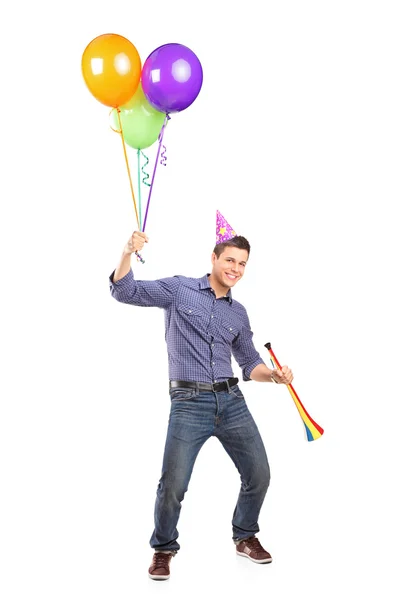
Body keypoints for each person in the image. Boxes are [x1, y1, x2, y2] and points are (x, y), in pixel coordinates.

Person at [109, 226, 293, 581]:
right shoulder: (179, 290)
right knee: (173, 484)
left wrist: (274, 376)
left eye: (242, 263)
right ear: (213, 258)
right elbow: (125, 290)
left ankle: (245, 535)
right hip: (188, 402)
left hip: (231, 401)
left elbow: (250, 362)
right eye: (230, 260)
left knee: (259, 473)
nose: (235, 268)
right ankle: (163, 548)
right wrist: (127, 252)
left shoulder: (238, 313)